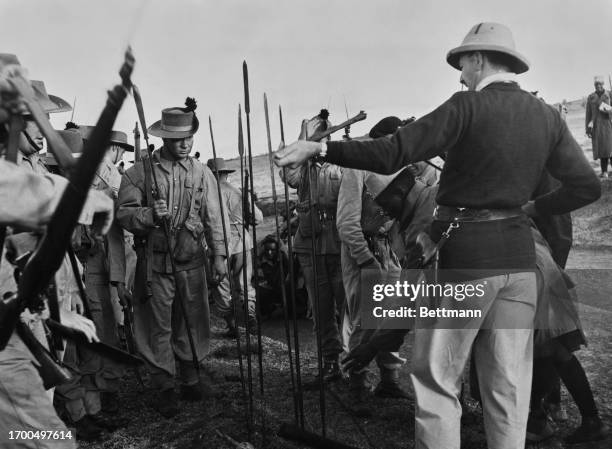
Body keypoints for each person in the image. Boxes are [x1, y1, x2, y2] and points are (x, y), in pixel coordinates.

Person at [275, 22, 601, 449]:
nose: (460, 73)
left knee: (436, 381)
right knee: (507, 389)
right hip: (520, 267)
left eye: (463, 63)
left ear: (479, 59)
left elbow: (391, 151)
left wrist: (320, 148)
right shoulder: (546, 116)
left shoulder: (466, 107)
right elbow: (587, 187)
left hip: (468, 265)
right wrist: (531, 208)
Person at [117, 98, 228, 418]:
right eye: (178, 139)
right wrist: (149, 215)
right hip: (156, 264)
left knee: (192, 321)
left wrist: (219, 254)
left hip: (192, 260)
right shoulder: (141, 173)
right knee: (158, 326)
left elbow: (213, 217)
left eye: (188, 139)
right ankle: (165, 386)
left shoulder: (202, 172)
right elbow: (123, 215)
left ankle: (191, 379)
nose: (184, 145)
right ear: (164, 138)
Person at [337, 118, 411, 400]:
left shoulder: (402, 166)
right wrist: (366, 259)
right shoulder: (357, 166)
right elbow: (346, 223)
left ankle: (389, 380)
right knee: (366, 320)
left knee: (392, 315)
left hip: (389, 250)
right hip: (363, 252)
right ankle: (358, 382)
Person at [282, 109, 346, 382]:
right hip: (310, 247)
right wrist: (303, 136)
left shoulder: (343, 164)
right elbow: (287, 172)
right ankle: (330, 364)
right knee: (320, 312)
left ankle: (354, 370)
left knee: (348, 311)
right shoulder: (303, 168)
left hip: (340, 246)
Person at [207, 157, 262, 337]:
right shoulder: (238, 192)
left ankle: (232, 327)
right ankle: (251, 317)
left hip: (219, 246)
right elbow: (258, 219)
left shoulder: (208, 193)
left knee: (221, 287)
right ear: (224, 174)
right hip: (242, 243)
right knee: (245, 284)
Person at [586, 76, 612, 178]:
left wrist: (604, 107)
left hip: (608, 125)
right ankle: (604, 171)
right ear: (594, 85)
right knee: (601, 150)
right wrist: (587, 128)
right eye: (596, 84)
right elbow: (588, 114)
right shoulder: (591, 97)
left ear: (603, 84)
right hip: (597, 127)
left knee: (610, 148)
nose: (598, 86)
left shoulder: (609, 94)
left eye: (600, 84)